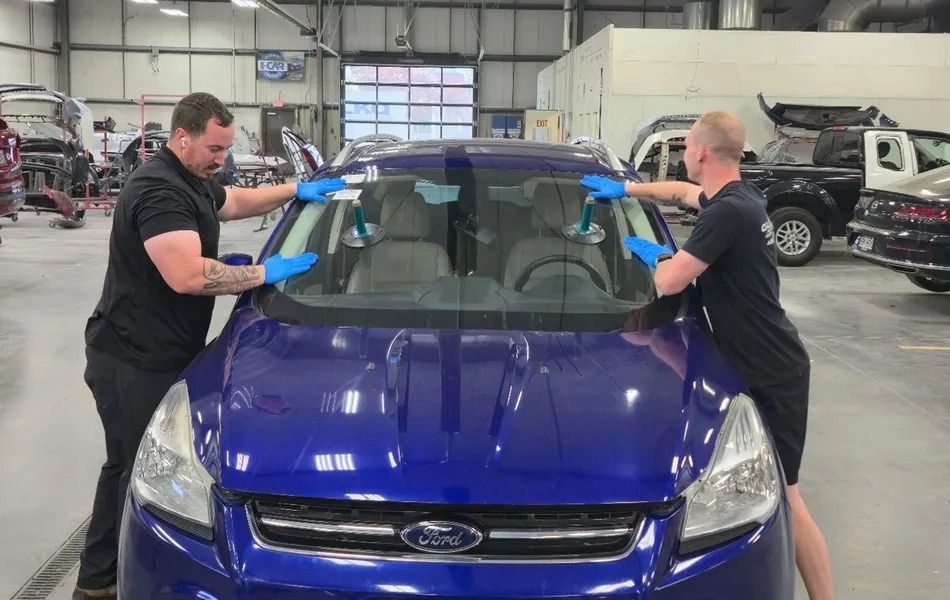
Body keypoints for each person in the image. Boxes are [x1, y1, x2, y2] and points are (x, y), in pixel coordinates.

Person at [74, 92, 345, 600]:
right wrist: (265, 272)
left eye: (225, 149)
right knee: (143, 473)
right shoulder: (158, 190)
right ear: (183, 137)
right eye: (215, 149)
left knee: (125, 465)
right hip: (132, 356)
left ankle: (96, 577)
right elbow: (186, 275)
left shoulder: (193, 180)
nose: (222, 159)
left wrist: (295, 191)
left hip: (161, 349)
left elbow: (234, 201)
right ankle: (107, 583)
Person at [580, 111, 835, 600]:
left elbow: (670, 282)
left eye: (686, 147)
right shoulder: (739, 197)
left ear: (699, 151)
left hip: (771, 369)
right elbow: (679, 193)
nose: (682, 156)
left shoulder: (727, 213)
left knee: (788, 496)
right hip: (755, 358)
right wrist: (626, 192)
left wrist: (654, 255)